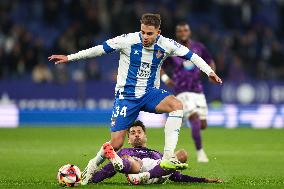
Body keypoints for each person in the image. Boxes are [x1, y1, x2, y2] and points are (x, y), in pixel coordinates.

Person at [48, 13, 222, 185]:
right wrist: (70, 57)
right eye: (143, 32)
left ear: (158, 32)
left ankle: (168, 156)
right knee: (116, 143)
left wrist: (209, 72)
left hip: (149, 93)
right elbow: (99, 49)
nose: (145, 37)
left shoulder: (167, 44)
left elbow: (192, 56)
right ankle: (92, 164)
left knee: (177, 105)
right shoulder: (127, 40)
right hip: (127, 97)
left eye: (149, 33)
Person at [92, 120, 223, 185]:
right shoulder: (125, 151)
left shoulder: (158, 154)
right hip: (137, 169)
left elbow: (178, 177)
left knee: (181, 154)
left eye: (139, 132)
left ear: (145, 136)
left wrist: (204, 180)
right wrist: (92, 179)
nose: (136, 135)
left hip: (159, 170)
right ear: (129, 140)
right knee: (127, 159)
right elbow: (107, 170)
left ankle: (146, 175)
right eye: (132, 133)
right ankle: (136, 171)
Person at [161, 22, 216, 162]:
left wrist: (211, 73)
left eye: (185, 30)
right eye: (180, 31)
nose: (183, 32)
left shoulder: (199, 47)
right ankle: (200, 153)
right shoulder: (171, 49)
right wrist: (165, 78)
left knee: (202, 124)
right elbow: (159, 66)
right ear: (177, 33)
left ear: (189, 32)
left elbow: (210, 60)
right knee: (195, 117)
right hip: (181, 91)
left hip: (198, 90)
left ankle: (183, 119)